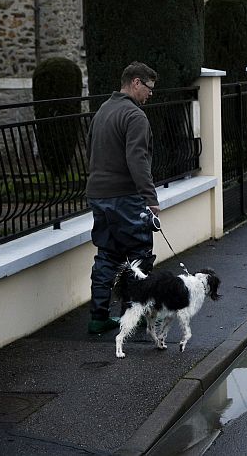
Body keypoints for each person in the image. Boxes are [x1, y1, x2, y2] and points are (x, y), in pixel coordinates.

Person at [85, 62, 160, 335]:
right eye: (149, 88)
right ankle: (136, 318)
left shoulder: (103, 111)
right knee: (138, 256)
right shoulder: (135, 116)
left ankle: (98, 317)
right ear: (136, 83)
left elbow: (90, 149)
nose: (150, 94)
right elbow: (137, 159)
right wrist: (150, 198)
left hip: (98, 195)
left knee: (107, 255)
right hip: (126, 198)